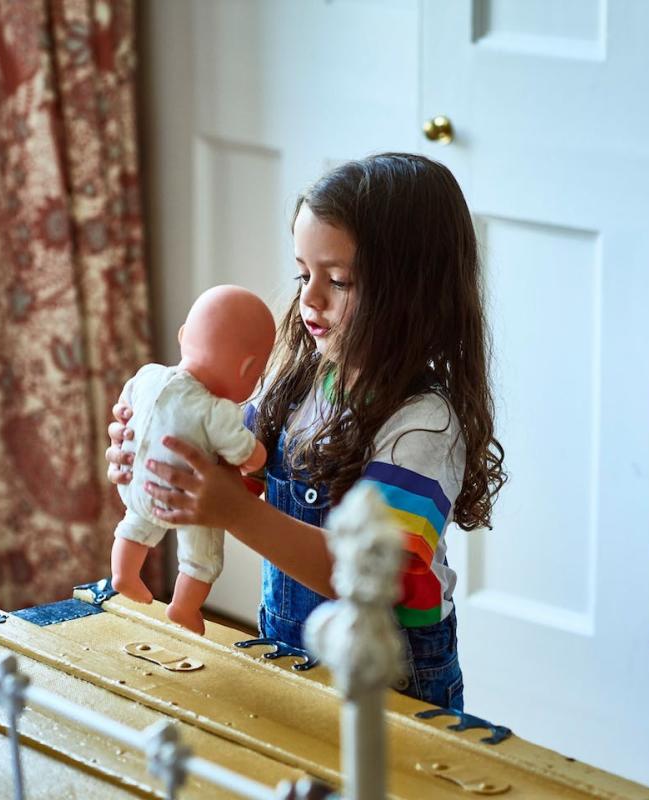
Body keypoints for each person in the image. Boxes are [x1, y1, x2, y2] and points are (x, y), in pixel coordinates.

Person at [105, 153, 505, 711]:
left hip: (391, 683)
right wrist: (160, 461)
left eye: (338, 280)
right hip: (288, 651)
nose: (309, 298)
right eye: (303, 273)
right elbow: (230, 475)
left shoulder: (423, 425)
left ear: (412, 295)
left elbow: (375, 578)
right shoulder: (297, 383)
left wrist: (235, 512)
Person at [111, 285, 275, 635]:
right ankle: (184, 606)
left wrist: (126, 419)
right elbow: (244, 451)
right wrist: (257, 454)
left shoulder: (149, 375)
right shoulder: (214, 410)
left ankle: (124, 574)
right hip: (189, 500)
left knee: (136, 525)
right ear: (247, 368)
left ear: (184, 336)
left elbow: (125, 405)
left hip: (138, 484)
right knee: (203, 556)